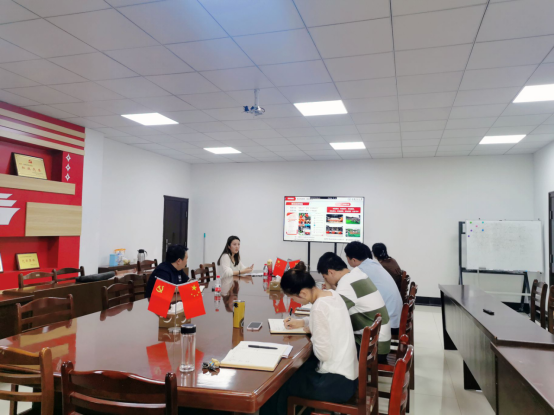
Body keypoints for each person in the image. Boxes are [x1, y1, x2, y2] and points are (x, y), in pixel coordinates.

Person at [260, 262, 358, 415]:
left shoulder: (318, 308)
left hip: (335, 382)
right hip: (349, 376)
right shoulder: (332, 294)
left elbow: (323, 354)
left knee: (278, 386)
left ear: (303, 293)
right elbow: (328, 320)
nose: (295, 302)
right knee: (296, 373)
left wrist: (314, 335)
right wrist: (304, 322)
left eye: (293, 298)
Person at [287, 253, 392, 361]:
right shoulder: (356, 275)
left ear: (331, 272)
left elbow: (327, 318)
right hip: (378, 342)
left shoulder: (346, 286)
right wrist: (303, 322)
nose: (326, 281)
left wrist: (309, 325)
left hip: (372, 349)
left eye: (325, 277)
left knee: (317, 353)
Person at [345, 241, 403, 336]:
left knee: (351, 317)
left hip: (388, 325)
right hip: (395, 319)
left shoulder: (360, 271)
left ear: (353, 260)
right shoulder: (374, 264)